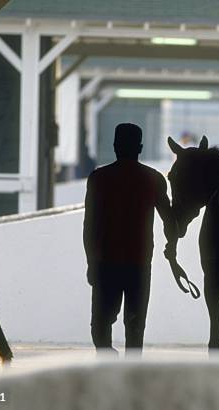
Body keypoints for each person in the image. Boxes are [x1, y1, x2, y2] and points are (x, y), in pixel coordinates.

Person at [83, 123, 177, 354]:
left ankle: (107, 360)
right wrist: (171, 249)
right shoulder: (153, 179)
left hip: (105, 263)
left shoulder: (98, 179)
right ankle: (131, 374)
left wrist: (91, 262)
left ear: (115, 146)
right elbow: (170, 220)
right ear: (141, 147)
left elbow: (89, 226)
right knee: (135, 326)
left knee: (100, 326)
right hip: (139, 263)